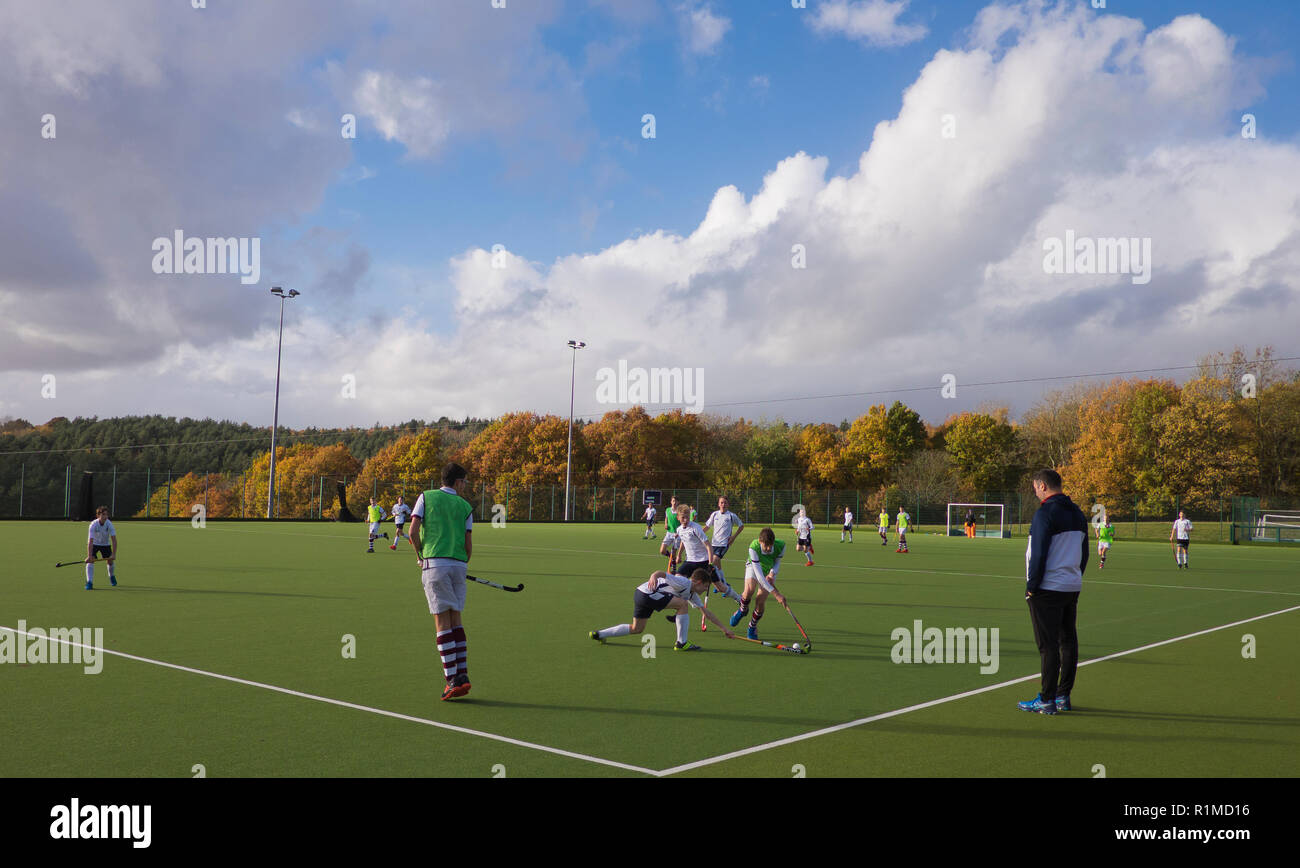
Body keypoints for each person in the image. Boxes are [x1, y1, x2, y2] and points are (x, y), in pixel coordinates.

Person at [1018, 468, 1088, 715]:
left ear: (1042, 486)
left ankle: (1046, 699)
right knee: (1068, 641)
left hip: (1047, 587)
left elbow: (1038, 553)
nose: (1034, 491)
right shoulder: (1078, 513)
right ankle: (1063, 696)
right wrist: (1075, 576)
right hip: (1071, 585)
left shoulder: (1045, 513)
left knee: (1047, 645)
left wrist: (1031, 586)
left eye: (1035, 487)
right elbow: (1084, 552)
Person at [408, 463, 476, 701]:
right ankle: (463, 675)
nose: (465, 486)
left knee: (442, 621)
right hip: (458, 565)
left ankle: (451, 680)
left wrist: (420, 556)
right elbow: (468, 546)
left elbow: (413, 532)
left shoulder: (426, 497)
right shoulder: (465, 506)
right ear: (457, 482)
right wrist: (460, 563)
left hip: (434, 563)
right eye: (464, 482)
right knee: (456, 619)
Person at [589, 568, 735, 651]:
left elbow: (706, 613)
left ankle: (600, 634)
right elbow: (661, 573)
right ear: (697, 582)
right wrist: (653, 576)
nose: (705, 589)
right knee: (683, 604)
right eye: (705, 586)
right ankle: (682, 643)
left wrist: (724, 629)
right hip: (648, 593)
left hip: (640, 593)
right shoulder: (684, 582)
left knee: (637, 628)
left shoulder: (692, 594)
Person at [671, 503, 743, 612]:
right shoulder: (679, 529)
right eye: (683, 517)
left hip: (703, 561)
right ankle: (694, 604)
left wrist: (710, 563)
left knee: (720, 587)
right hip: (690, 561)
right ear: (678, 518)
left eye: (687, 517)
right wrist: (679, 555)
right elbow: (683, 541)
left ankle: (739, 599)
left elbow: (708, 546)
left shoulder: (696, 528)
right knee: (678, 580)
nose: (685, 519)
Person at [729, 528, 789, 641]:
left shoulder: (781, 546)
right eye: (765, 546)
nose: (768, 549)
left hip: (769, 569)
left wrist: (772, 574)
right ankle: (742, 610)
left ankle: (752, 627)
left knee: (760, 601)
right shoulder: (754, 547)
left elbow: (777, 563)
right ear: (760, 541)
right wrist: (777, 594)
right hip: (754, 566)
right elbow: (760, 577)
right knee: (749, 590)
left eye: (770, 546)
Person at [702, 496, 746, 630]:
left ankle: (723, 584)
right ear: (718, 504)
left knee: (714, 562)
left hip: (724, 544)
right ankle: (724, 582)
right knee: (718, 563)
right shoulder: (714, 514)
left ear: (728, 504)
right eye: (721, 502)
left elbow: (741, 526)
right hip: (713, 543)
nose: (723, 504)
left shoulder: (731, 516)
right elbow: (707, 526)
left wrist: (733, 537)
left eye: (725, 502)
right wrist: (698, 533)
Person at [85, 506, 118, 590]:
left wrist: (113, 554)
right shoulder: (93, 525)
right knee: (90, 561)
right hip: (95, 544)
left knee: (110, 561)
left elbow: (114, 540)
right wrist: (89, 556)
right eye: (103, 514)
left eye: (106, 515)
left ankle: (111, 576)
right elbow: (90, 541)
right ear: (98, 515)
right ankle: (89, 582)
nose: (105, 517)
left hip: (105, 545)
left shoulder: (109, 524)